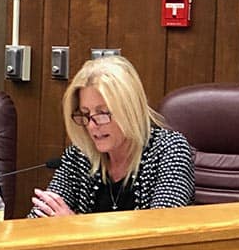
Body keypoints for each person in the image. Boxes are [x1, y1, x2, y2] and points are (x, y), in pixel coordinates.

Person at [29, 55, 194, 217]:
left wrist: (74, 227)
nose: (92, 125)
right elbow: (38, 221)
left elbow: (159, 229)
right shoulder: (79, 155)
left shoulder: (170, 149)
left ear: (130, 110)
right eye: (85, 114)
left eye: (102, 113)